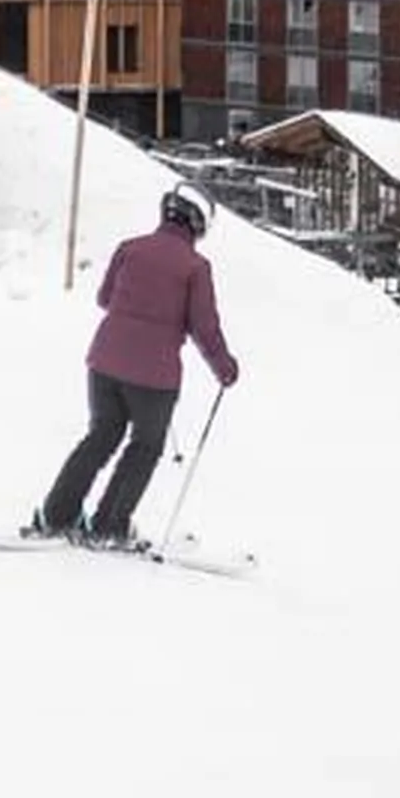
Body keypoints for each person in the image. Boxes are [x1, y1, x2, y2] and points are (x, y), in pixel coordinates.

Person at [30, 186, 239, 549]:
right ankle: (109, 527)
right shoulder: (195, 268)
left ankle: (57, 515)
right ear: (197, 225)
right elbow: (203, 326)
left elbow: (104, 298)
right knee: (144, 447)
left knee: (100, 437)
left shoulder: (130, 247)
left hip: (104, 363)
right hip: (153, 379)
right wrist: (224, 367)